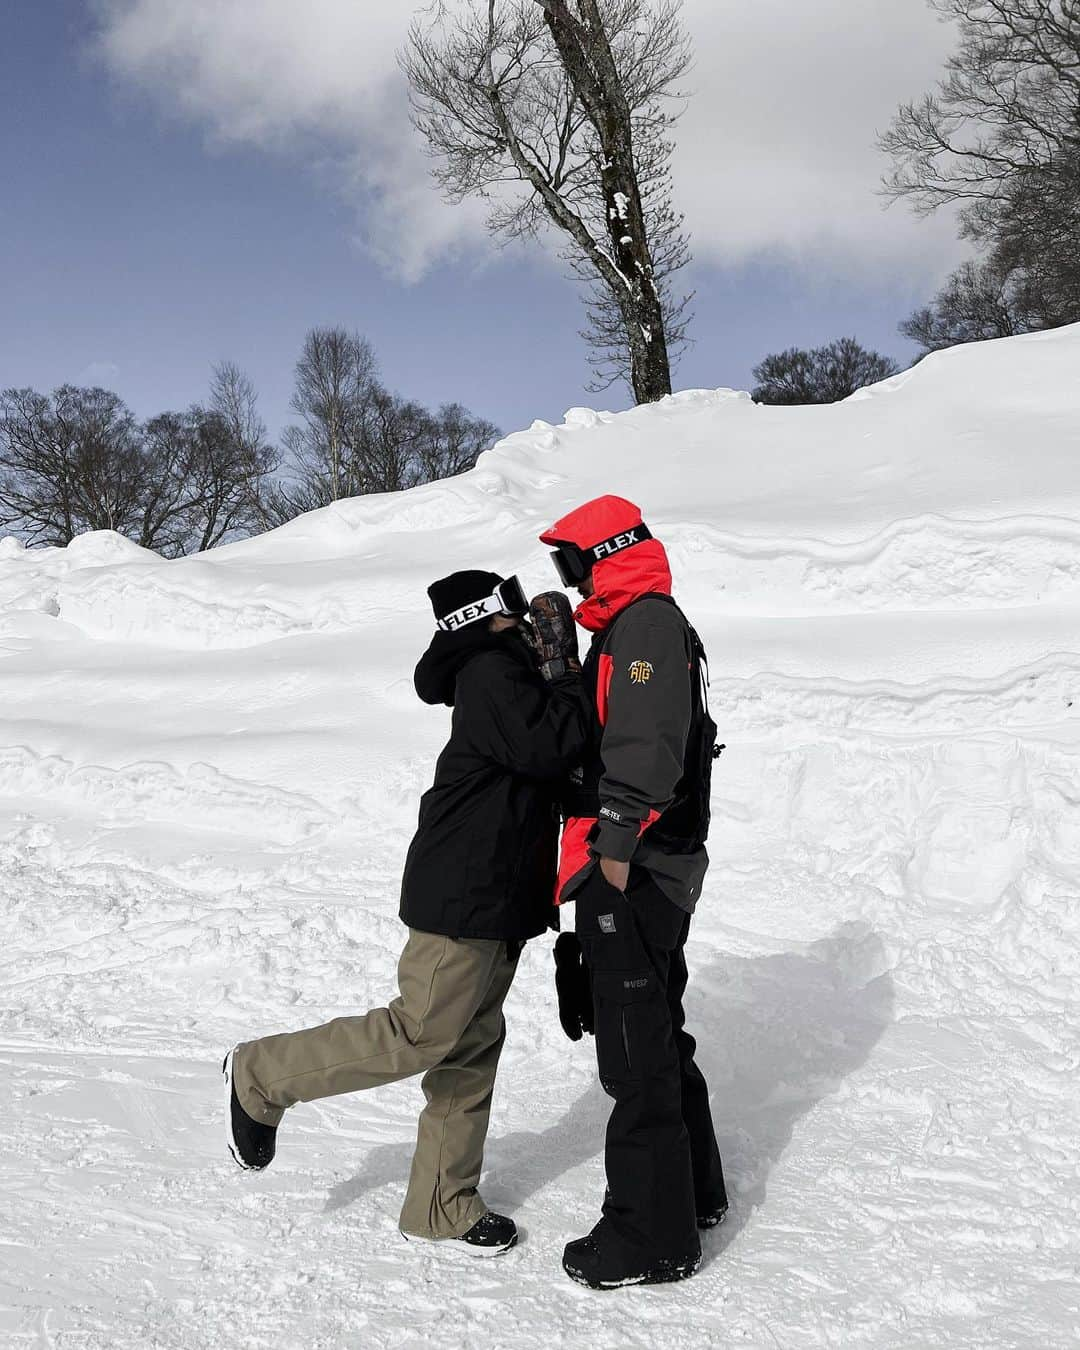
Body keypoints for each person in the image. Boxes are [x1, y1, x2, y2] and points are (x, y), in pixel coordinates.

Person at [223, 569, 588, 1258]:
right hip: (465, 893)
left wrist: (556, 673)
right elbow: (551, 746)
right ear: (485, 617)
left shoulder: (503, 672)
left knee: (472, 1046)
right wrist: (565, 670)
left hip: (497, 894)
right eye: (513, 605)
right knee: (420, 1032)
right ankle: (261, 1075)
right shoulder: (489, 672)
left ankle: (440, 1206)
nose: (528, 616)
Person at [539, 495, 729, 1290]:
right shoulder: (628, 626)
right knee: (657, 1026)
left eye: (571, 561)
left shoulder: (646, 621)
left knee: (634, 1048)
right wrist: (561, 674)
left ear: (605, 553)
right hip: (645, 859)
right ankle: (694, 1195)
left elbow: (648, 748)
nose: (567, 578)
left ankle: (651, 1237)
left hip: (638, 863)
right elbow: (612, 724)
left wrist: (614, 848)